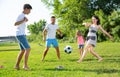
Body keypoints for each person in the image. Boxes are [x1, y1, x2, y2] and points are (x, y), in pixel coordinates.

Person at [14, 4, 32, 70]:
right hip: (20, 34)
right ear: (26, 9)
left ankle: (16, 66)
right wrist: (23, 20)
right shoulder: (21, 15)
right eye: (29, 10)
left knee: (23, 50)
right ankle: (25, 66)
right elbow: (15, 24)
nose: (30, 12)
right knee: (28, 49)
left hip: (21, 34)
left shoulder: (23, 16)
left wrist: (24, 20)